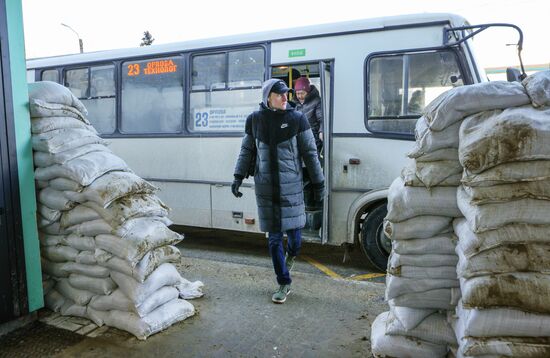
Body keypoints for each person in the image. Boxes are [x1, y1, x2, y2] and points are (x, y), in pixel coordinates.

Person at [231, 78, 324, 304]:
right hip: (265, 187)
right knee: (273, 240)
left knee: (295, 239)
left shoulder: (297, 119)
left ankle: (292, 255)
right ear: (268, 98)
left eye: (286, 94)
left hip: (291, 186)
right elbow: (247, 151)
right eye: (280, 94)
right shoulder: (254, 120)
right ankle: (284, 282)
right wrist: (238, 177)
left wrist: (319, 183)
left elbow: (310, 154)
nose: (285, 98)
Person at [294, 76, 324, 211]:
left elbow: (322, 119)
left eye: (302, 93)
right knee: (301, 174)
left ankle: (314, 205)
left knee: (312, 173)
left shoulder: (316, 102)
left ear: (308, 91)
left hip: (313, 142)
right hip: (297, 144)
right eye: (297, 93)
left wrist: (322, 131)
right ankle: (304, 205)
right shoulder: (293, 104)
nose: (299, 96)